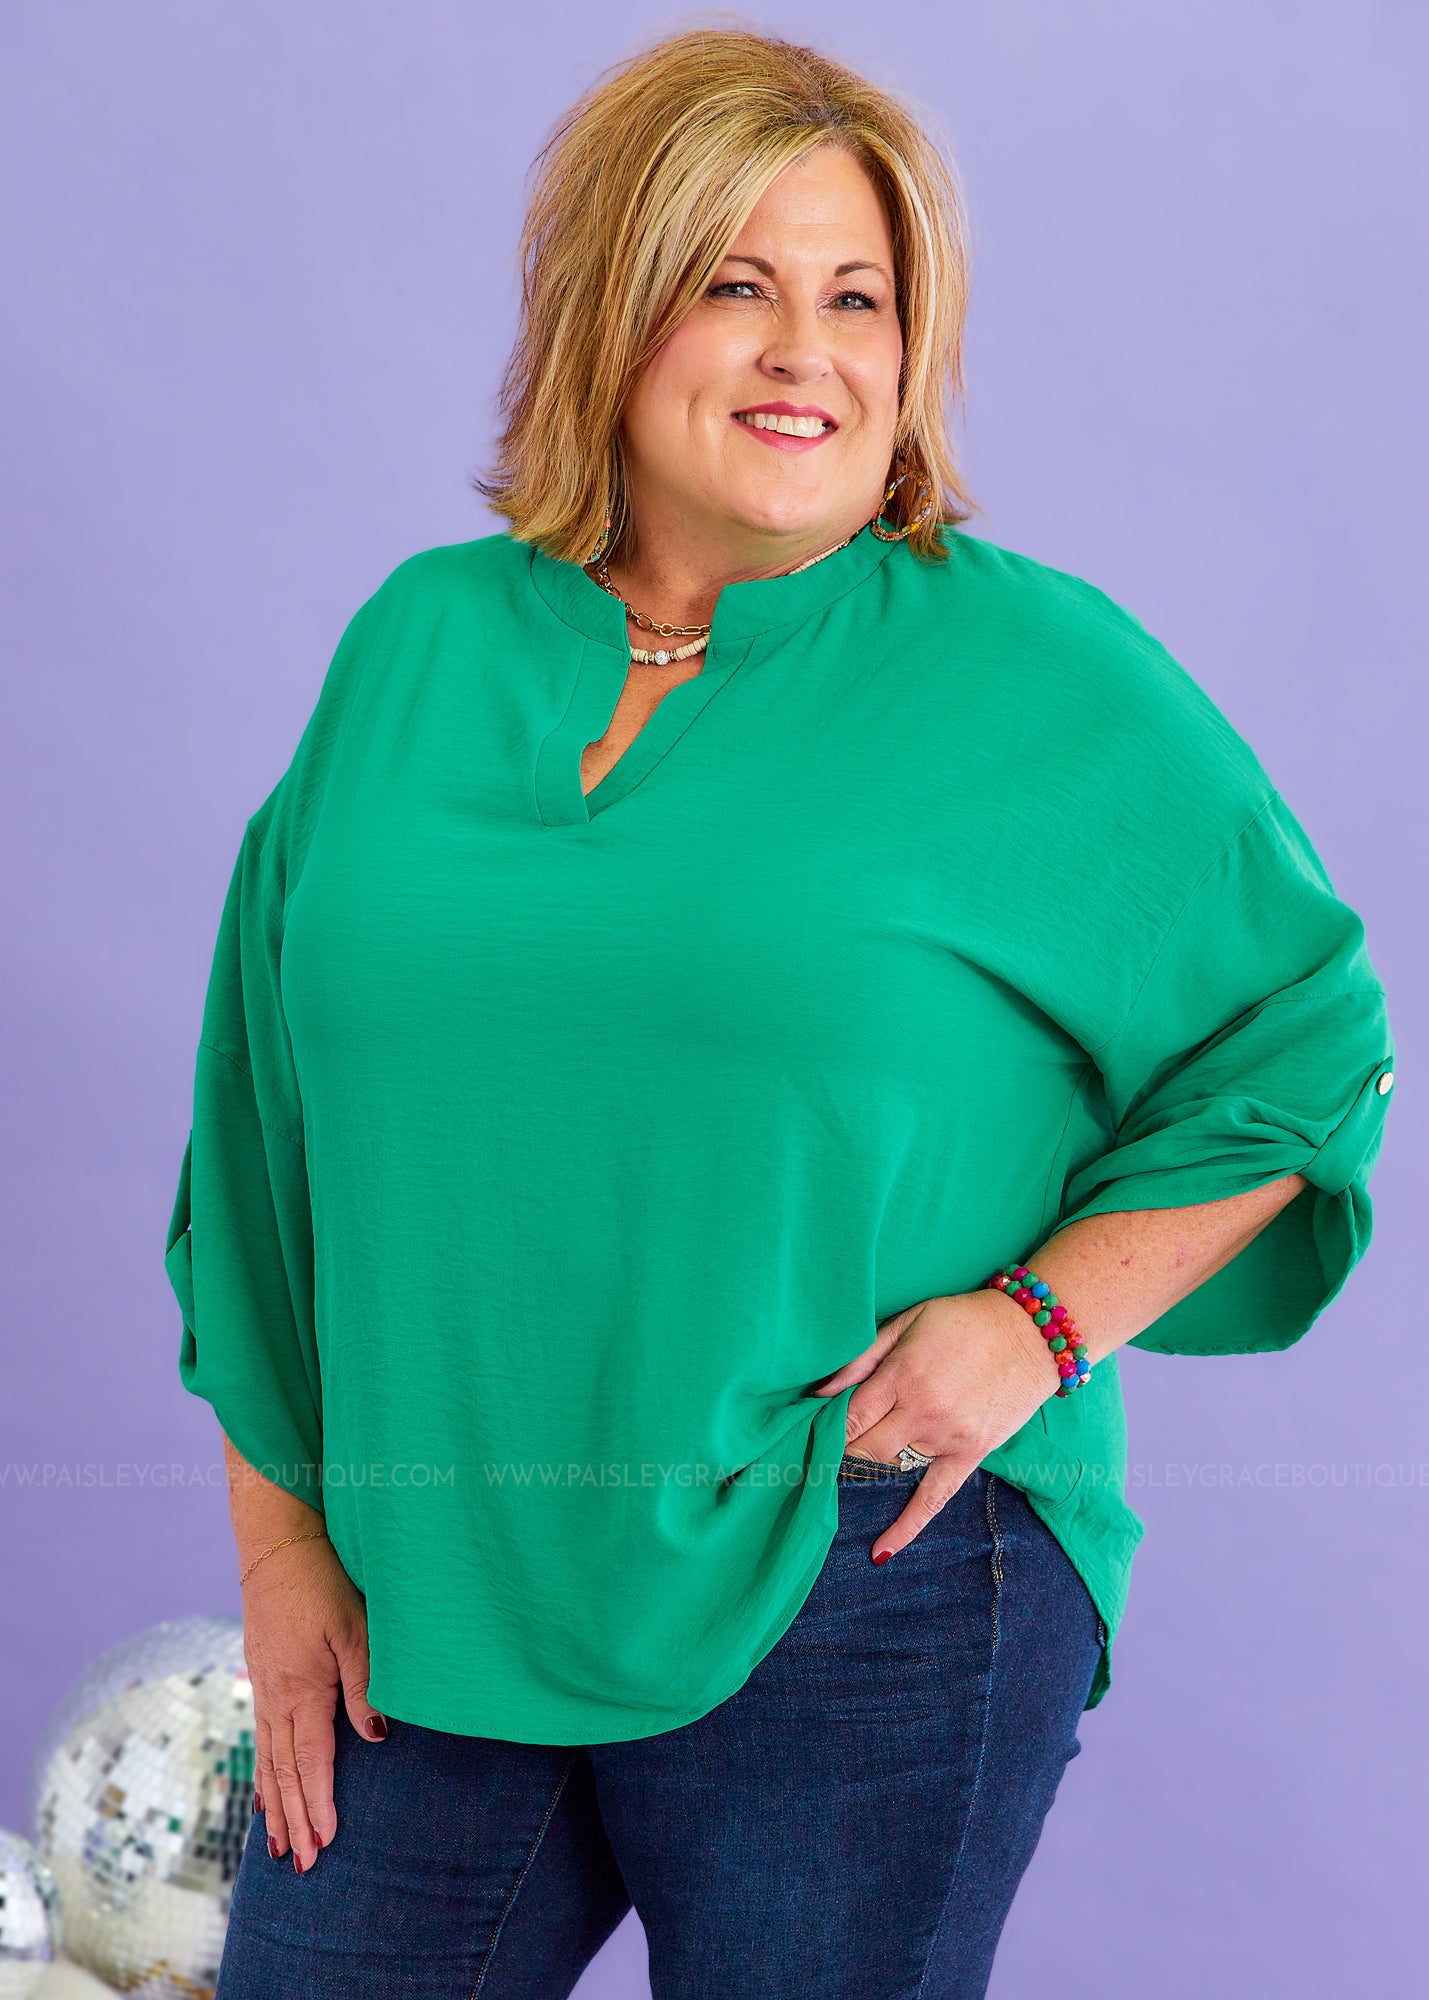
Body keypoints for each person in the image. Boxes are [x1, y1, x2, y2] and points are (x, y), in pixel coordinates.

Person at [163, 25, 1395, 1999]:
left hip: (869, 1569)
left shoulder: (1028, 678)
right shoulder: (417, 646)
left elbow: (1302, 1042)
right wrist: (283, 1543)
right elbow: (259, 1131)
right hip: (431, 1579)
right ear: (613, 309)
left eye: (857, 299)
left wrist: (1042, 1322)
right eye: (736, 285)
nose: (801, 352)